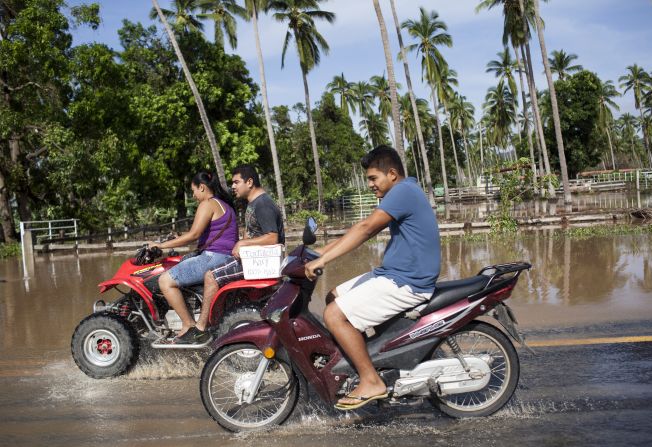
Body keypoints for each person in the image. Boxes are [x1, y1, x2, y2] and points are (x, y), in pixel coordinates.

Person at [305, 145, 441, 410]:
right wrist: (317, 253)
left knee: (334, 315)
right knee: (334, 294)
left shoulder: (402, 191)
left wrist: (323, 260)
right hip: (393, 275)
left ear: (392, 174)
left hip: (408, 282)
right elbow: (360, 227)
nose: (370, 185)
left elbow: (366, 229)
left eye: (372, 178)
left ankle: (371, 380)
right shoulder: (405, 189)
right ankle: (371, 356)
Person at [193, 164, 285, 334]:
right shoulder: (254, 203)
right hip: (253, 258)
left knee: (211, 276)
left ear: (249, 182)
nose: (233, 186)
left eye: (236, 182)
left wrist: (243, 244)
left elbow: (273, 238)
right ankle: (220, 319)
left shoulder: (263, 204)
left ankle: (200, 327)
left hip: (259, 261)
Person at [151, 171, 238, 344]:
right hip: (224, 258)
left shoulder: (207, 204)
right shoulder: (225, 205)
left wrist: (160, 246)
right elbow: (205, 233)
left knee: (165, 281)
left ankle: (188, 326)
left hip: (213, 258)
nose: (193, 195)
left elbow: (194, 234)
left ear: (202, 187)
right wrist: (176, 237)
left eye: (194, 191)